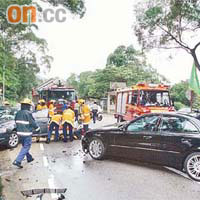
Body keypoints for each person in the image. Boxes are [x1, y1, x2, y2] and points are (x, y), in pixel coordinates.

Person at [13, 98, 40, 168]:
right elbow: (33, 123)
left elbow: (16, 121)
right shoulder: (28, 113)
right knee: (26, 146)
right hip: (27, 134)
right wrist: (37, 129)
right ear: (28, 106)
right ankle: (17, 161)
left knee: (25, 146)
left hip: (19, 133)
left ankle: (29, 158)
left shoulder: (18, 113)